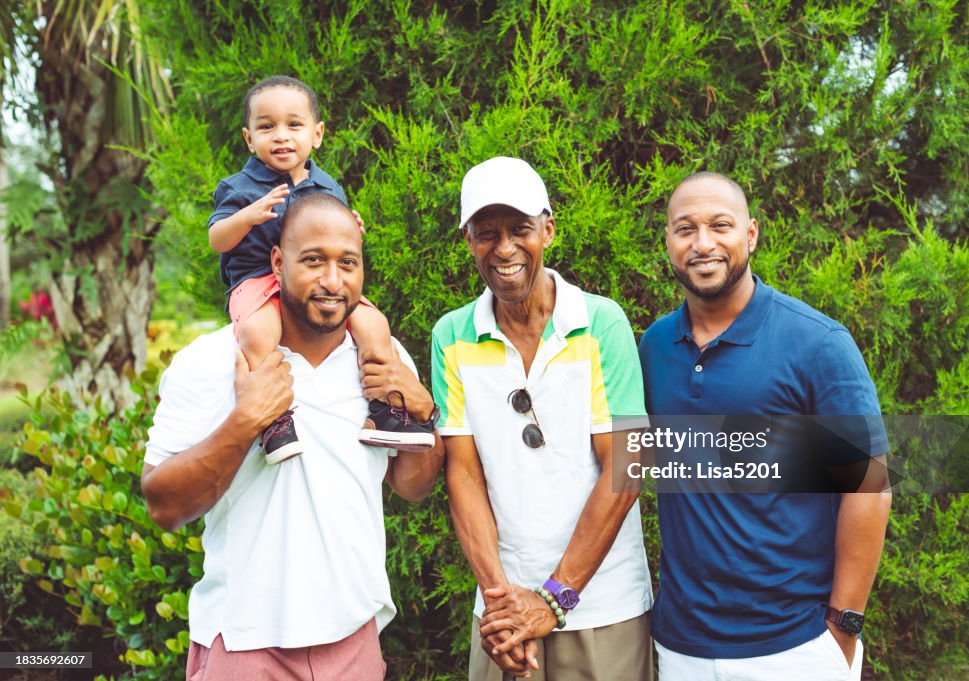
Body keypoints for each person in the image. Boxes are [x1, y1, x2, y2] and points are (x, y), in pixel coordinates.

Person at [141, 193, 445, 680]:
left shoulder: (385, 359)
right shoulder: (211, 362)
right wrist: (246, 421)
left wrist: (423, 413)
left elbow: (414, 487)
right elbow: (163, 506)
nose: (332, 280)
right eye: (313, 261)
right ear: (278, 263)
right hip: (243, 644)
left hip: (353, 641)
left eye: (348, 263)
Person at [638, 171, 892, 680]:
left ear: (750, 234)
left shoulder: (817, 343)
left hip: (793, 645)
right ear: (668, 242)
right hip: (681, 644)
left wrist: (844, 627)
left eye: (720, 225)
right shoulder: (654, 347)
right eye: (685, 229)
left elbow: (868, 487)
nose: (703, 243)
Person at [432, 156, 653, 680]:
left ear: (548, 230)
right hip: (504, 614)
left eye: (520, 230)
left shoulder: (602, 323)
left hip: (605, 607)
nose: (504, 248)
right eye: (486, 233)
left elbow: (627, 469)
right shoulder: (452, 335)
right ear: (468, 240)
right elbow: (463, 473)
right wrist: (500, 603)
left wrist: (553, 600)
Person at [208, 75, 432, 463]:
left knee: (374, 325)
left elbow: (336, 233)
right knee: (260, 333)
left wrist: (351, 228)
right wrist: (247, 217)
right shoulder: (240, 187)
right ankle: (274, 420)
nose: (281, 136)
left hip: (313, 283)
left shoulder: (327, 188)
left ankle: (384, 411)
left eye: (293, 125)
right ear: (249, 139)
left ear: (317, 134)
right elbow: (217, 239)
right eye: (267, 127)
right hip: (256, 280)